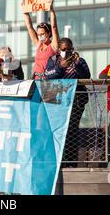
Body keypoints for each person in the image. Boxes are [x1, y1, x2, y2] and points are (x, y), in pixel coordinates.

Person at [44, 38, 91, 167]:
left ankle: (71, 163)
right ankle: (58, 161)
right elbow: (47, 75)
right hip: (57, 100)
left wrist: (76, 64)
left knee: (71, 130)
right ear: (59, 50)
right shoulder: (53, 60)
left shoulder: (80, 61)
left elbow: (86, 76)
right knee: (58, 130)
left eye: (69, 49)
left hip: (76, 100)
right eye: (63, 49)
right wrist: (60, 67)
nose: (66, 51)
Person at [23, 2, 59, 79]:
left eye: (42, 34)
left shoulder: (53, 46)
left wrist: (51, 10)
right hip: (35, 80)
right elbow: (29, 27)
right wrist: (25, 12)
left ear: (49, 33)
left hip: (48, 81)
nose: (40, 36)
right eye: (39, 34)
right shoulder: (38, 44)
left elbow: (54, 27)